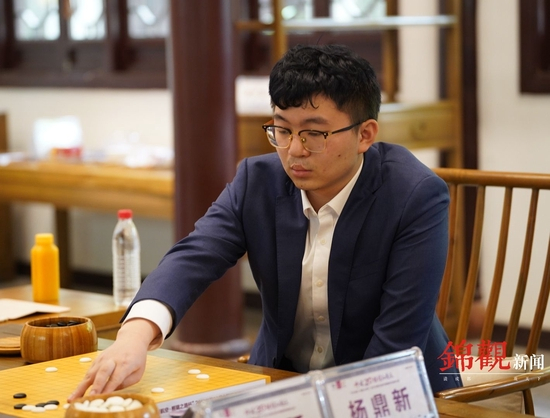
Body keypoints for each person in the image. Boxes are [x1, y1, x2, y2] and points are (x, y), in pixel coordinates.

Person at [69, 44, 461, 401]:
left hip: (396, 392)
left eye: (314, 133)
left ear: (365, 135)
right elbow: (194, 256)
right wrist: (134, 335)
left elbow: (395, 342)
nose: (294, 151)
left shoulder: (414, 195)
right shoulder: (256, 181)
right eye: (282, 129)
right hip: (282, 384)